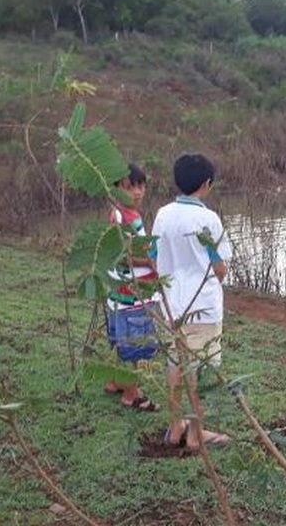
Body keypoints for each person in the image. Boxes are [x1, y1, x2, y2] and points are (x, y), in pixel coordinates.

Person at [151, 153, 232, 449]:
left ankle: (175, 429)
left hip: (171, 304)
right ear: (207, 184)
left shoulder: (162, 214)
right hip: (203, 308)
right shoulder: (208, 219)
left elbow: (153, 255)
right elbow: (219, 266)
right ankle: (197, 435)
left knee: (175, 363)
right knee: (200, 368)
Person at [104, 163, 160, 412]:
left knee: (119, 340)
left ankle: (115, 381)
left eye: (140, 186)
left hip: (120, 295)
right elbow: (122, 255)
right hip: (132, 295)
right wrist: (152, 262)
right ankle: (132, 393)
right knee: (134, 346)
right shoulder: (124, 217)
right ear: (116, 189)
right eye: (129, 187)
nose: (137, 192)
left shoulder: (123, 214)